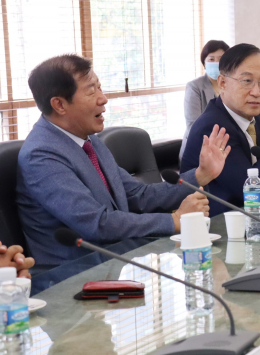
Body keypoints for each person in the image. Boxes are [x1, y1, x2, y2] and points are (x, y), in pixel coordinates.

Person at [17, 54, 231, 266]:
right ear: (60, 105)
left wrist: (201, 175)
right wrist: (173, 221)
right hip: (71, 276)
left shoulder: (89, 140)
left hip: (117, 262)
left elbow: (138, 195)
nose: (103, 99)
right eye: (91, 91)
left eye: (100, 88)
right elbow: (97, 224)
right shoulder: (41, 155)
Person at [181, 44, 260, 217]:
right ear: (223, 83)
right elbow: (249, 193)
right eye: (247, 81)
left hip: (254, 220)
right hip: (217, 225)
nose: (256, 92)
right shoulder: (213, 127)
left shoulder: (259, 118)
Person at [180, 40, 230, 161]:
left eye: (220, 59)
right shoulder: (194, 87)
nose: (216, 63)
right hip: (198, 150)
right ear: (204, 63)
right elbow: (193, 126)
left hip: (227, 146)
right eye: (211, 59)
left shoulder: (231, 85)